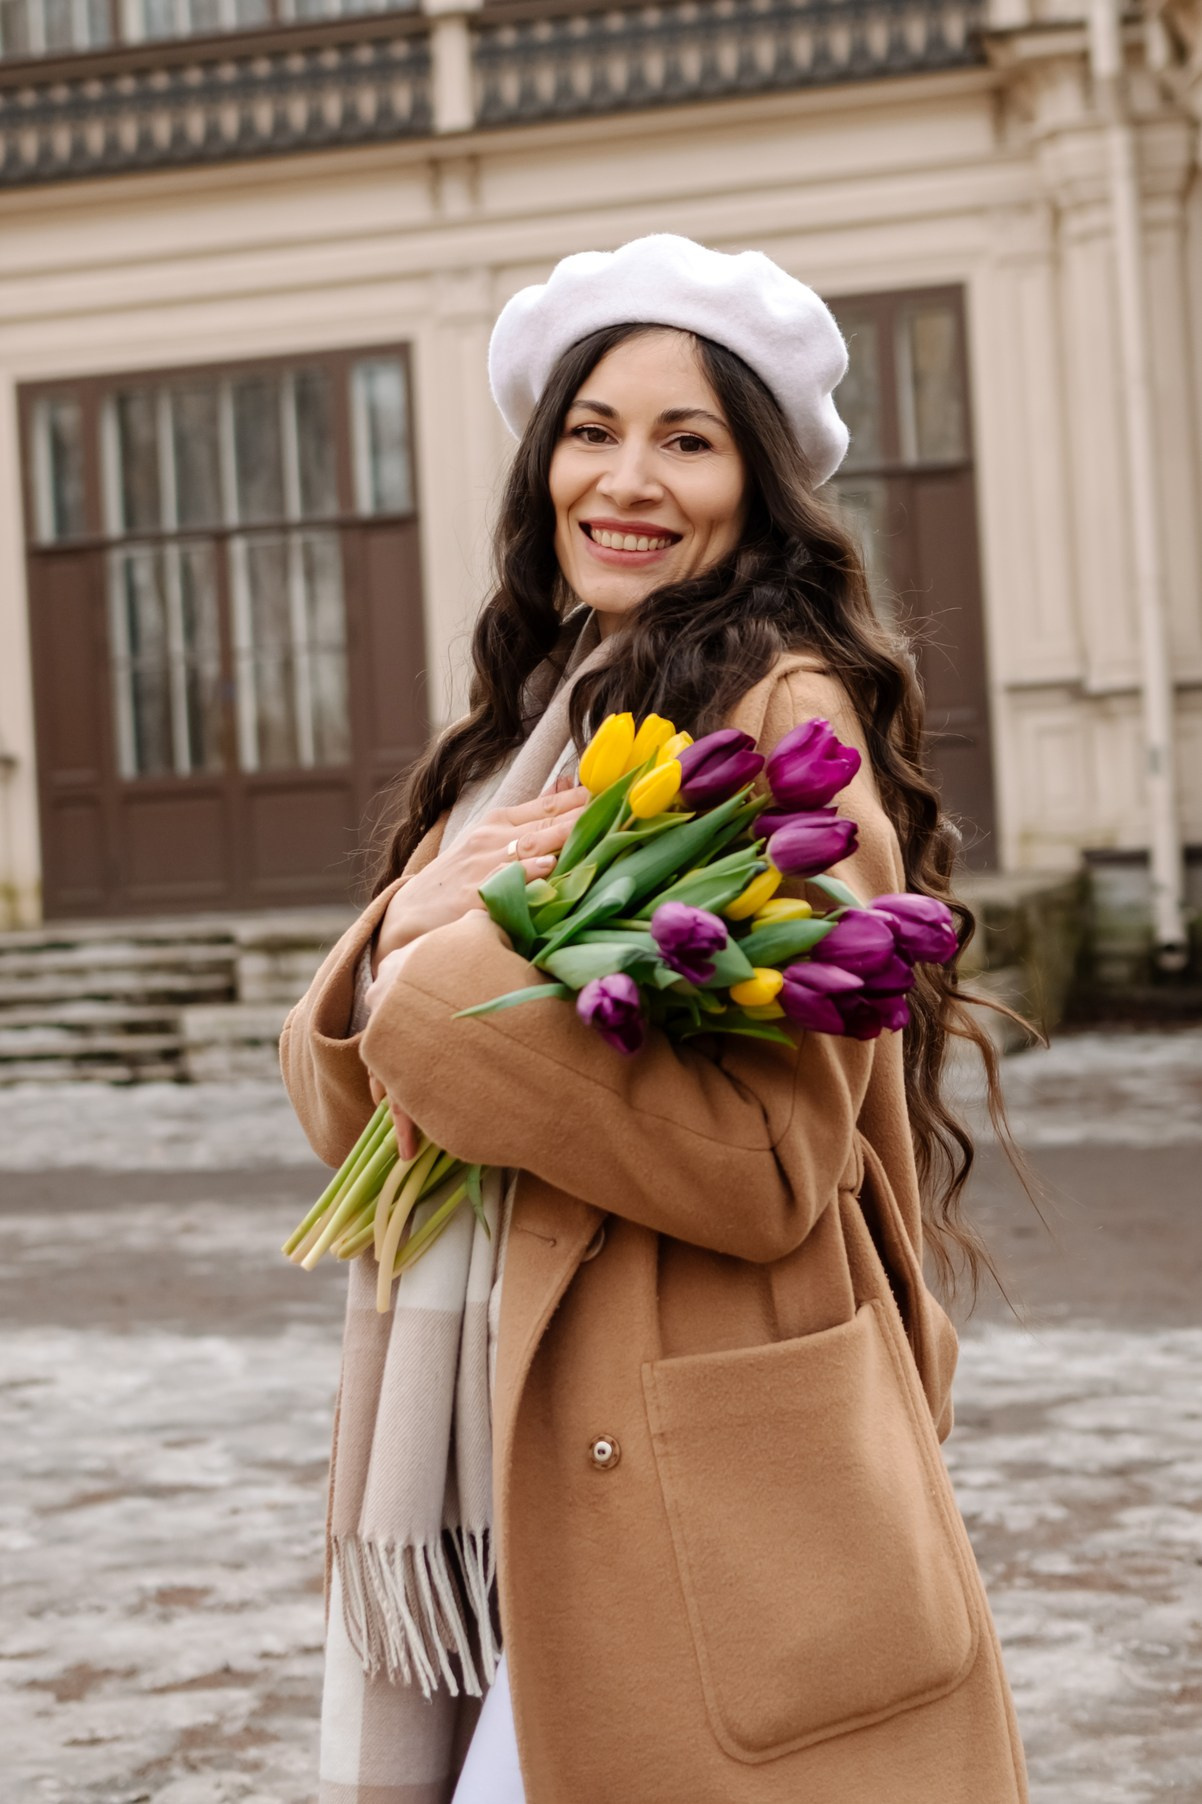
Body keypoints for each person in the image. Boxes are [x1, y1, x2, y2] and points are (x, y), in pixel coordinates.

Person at [281, 234, 1029, 1804]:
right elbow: (361, 1115)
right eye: (591, 430)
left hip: (683, 1459)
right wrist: (406, 960)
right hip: (505, 1445)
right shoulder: (534, 729)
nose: (626, 478)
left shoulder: (775, 715)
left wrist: (430, 986)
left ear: (753, 490)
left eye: (686, 440)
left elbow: (766, 1167)